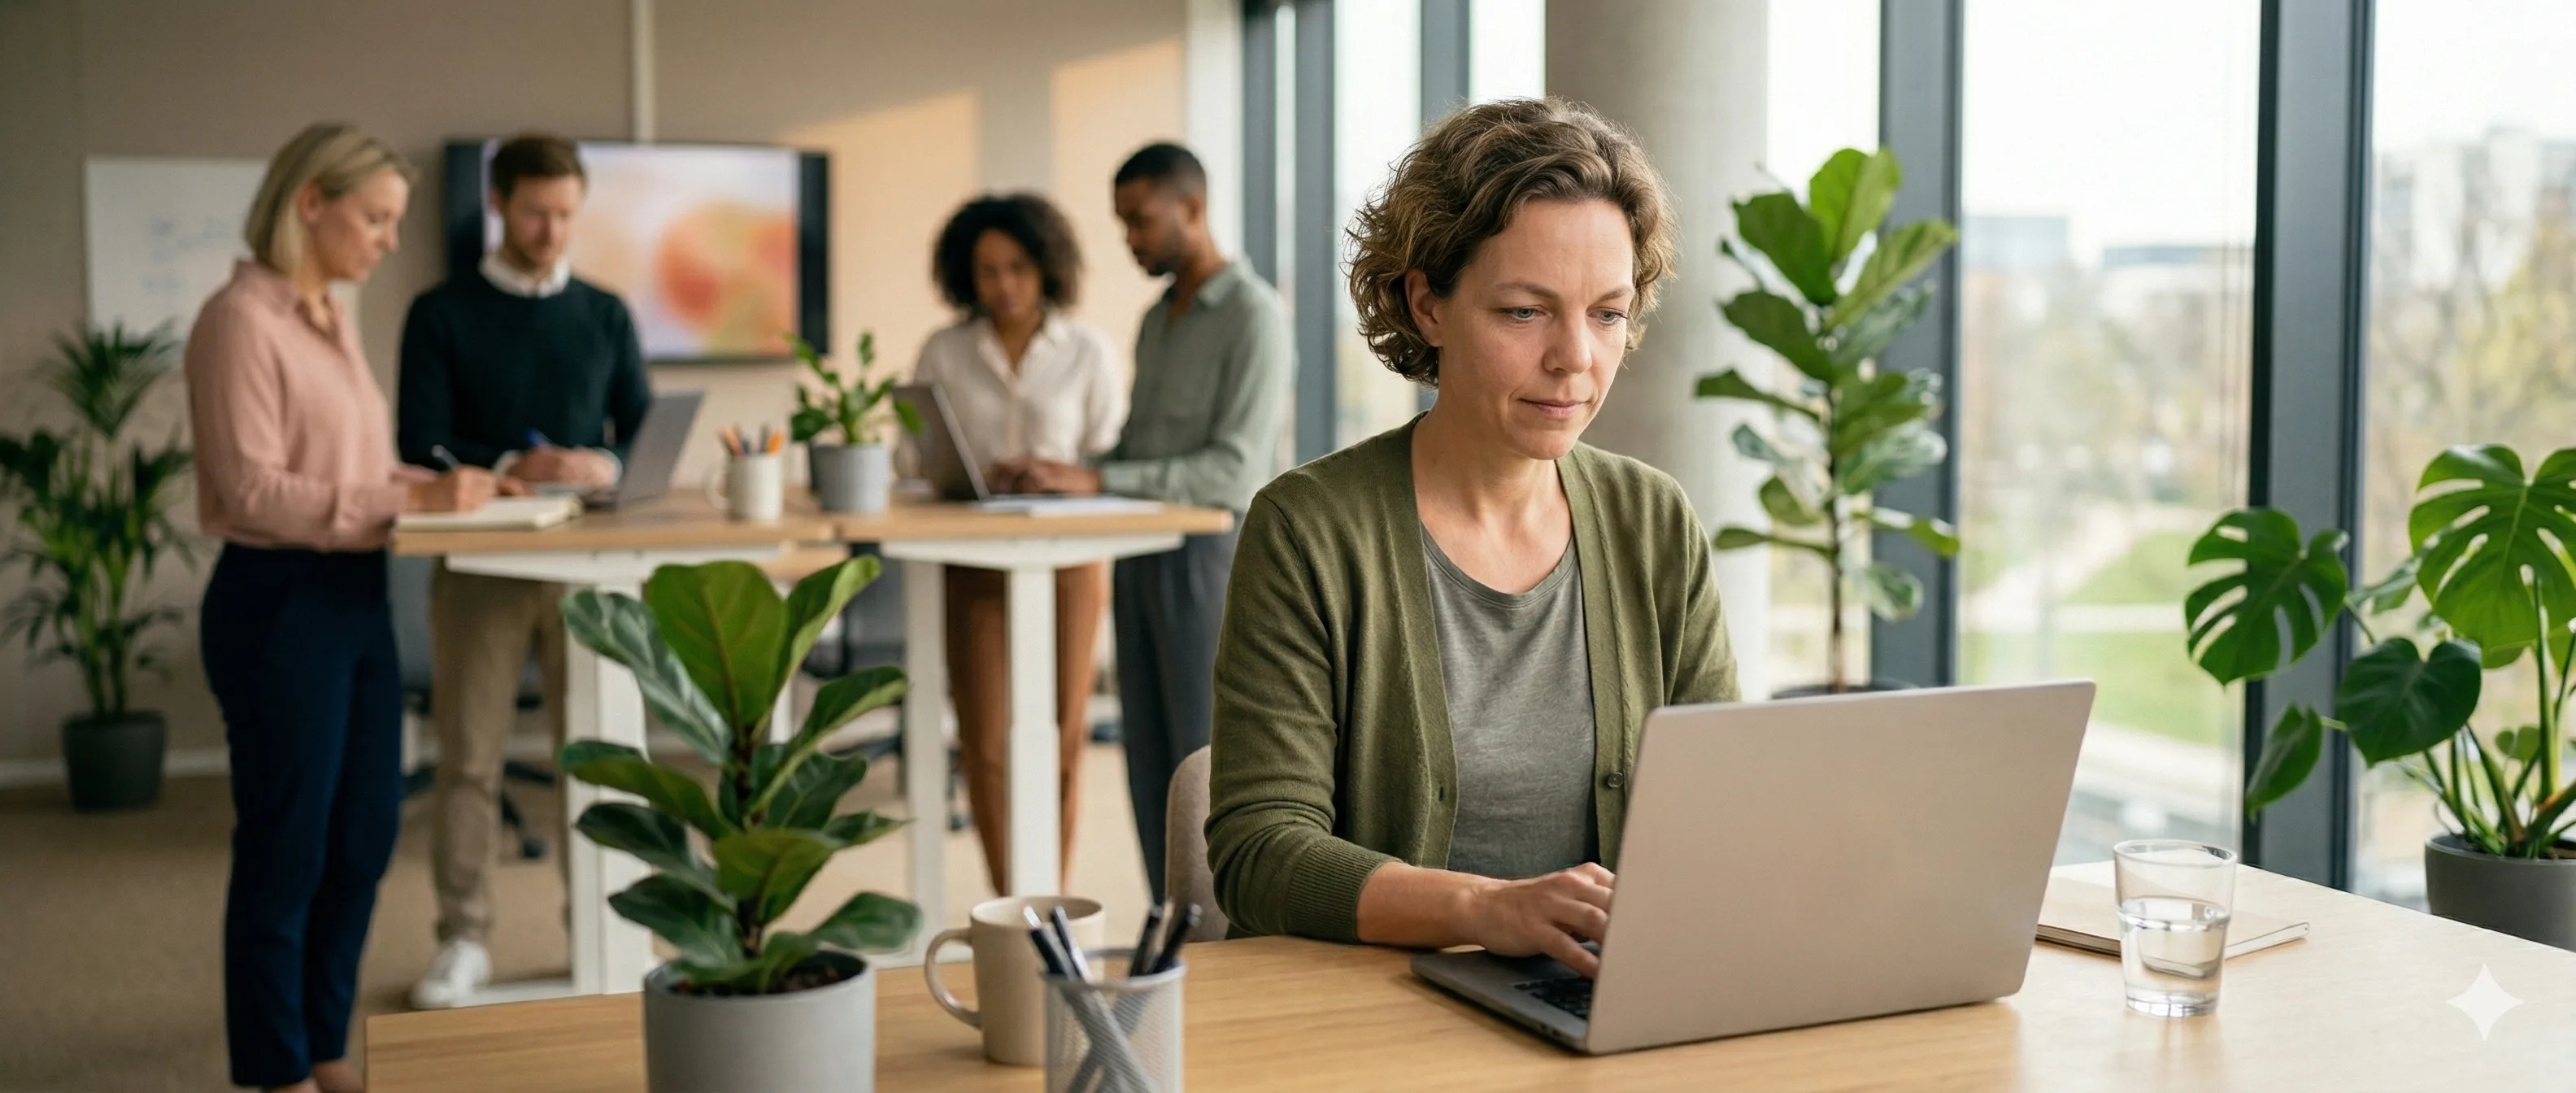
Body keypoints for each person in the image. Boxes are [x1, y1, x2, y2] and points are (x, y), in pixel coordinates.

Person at [1201, 98, 1738, 976]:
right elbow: (1260, 852)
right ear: (1428, 306)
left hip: (1596, 999)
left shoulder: (1654, 521)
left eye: (1607, 313)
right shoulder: (1309, 529)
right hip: (1370, 1017)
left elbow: (1722, 805)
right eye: (1527, 312)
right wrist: (1489, 909)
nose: (1576, 357)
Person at [189, 122, 496, 1093]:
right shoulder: (240, 321)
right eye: (376, 217)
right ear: (309, 201)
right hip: (277, 602)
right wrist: (407, 499)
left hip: (357, 598)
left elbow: (355, 473)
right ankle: (274, 1069)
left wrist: (444, 485)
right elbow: (250, 491)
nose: (389, 240)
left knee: (361, 841)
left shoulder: (331, 316)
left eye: (395, 221)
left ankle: (326, 1047)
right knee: (288, 848)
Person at [395, 133, 652, 1009]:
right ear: (500, 204)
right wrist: (515, 461)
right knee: (471, 760)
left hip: (590, 566)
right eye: (537, 212)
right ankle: (462, 939)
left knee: (606, 758)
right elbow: (416, 439)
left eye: (568, 215)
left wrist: (604, 468)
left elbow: (642, 432)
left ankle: (606, 930)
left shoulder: (607, 313)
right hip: (482, 566)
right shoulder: (441, 310)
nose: (553, 231)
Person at [996, 143, 1294, 899]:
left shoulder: (1255, 318)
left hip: (1207, 560)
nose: (1129, 239)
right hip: (1137, 554)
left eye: (1140, 220)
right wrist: (1061, 474)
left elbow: (1233, 470)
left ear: (1190, 208)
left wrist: (1099, 477)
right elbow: (1135, 448)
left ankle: (1223, 932)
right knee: (1148, 764)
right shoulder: (1159, 318)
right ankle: (1170, 929)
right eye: (1123, 222)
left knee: (1202, 760)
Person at [914, 194, 1128, 892]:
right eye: (987, 271)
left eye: (1017, 268)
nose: (1003, 285)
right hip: (975, 561)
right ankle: (1012, 899)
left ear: (1046, 269)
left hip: (1069, 560)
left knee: (1063, 736)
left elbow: (1109, 456)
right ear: (964, 275)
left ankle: (1051, 901)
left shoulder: (1087, 350)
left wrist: (1058, 476)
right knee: (985, 741)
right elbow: (914, 459)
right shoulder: (944, 352)